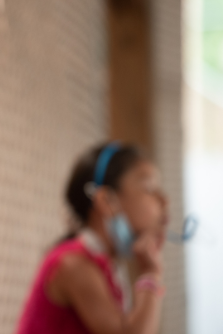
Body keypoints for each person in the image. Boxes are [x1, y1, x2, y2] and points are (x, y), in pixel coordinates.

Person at [15, 142, 168, 334]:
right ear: (106, 201)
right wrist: (150, 274)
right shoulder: (74, 264)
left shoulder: (105, 265)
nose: (164, 200)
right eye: (149, 187)